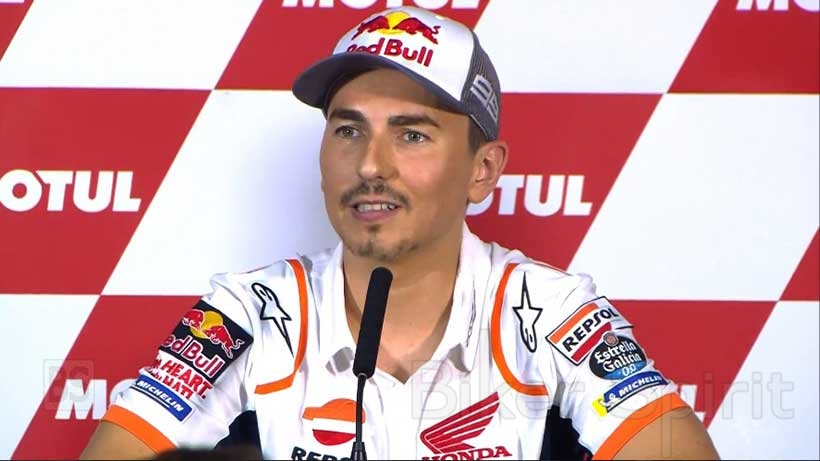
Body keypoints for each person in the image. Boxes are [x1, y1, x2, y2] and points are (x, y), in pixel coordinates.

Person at [80, 6, 719, 460]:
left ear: (482, 170)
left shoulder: (549, 311)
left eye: (411, 134)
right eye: (348, 129)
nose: (369, 165)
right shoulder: (250, 311)